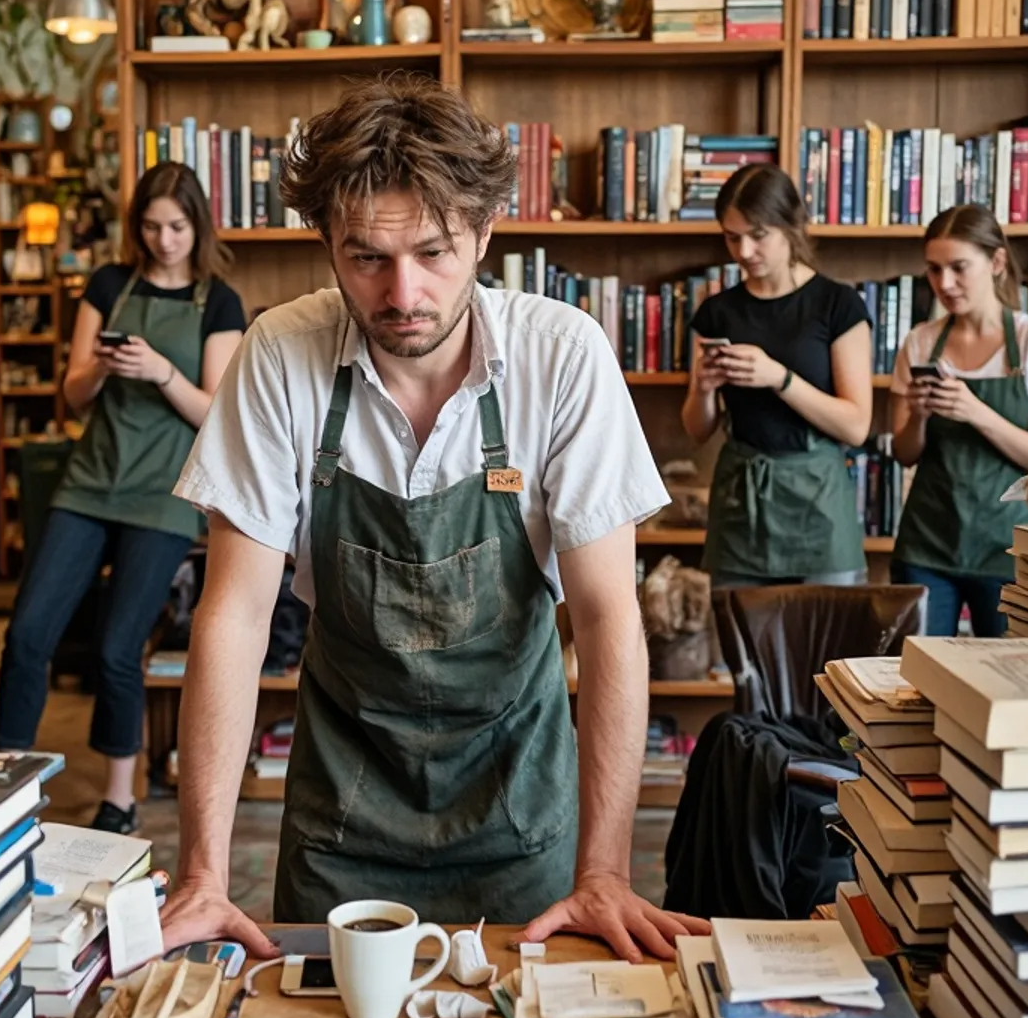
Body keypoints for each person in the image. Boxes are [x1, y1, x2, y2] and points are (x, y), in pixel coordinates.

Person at [159, 73, 709, 961]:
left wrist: (603, 871)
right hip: (343, 817)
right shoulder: (280, 355)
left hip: (518, 811)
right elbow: (234, 615)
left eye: (434, 252)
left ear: (485, 233)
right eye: (366, 258)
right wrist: (202, 876)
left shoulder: (561, 357)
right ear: (328, 246)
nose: (402, 292)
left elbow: (610, 621)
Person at [0, 162, 246, 833]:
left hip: (163, 495)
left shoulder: (219, 300)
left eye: (177, 227)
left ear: (198, 227)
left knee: (116, 647)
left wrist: (161, 371)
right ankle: (4, 783)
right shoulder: (109, 283)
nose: (164, 240)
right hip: (89, 480)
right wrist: (101, 371)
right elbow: (70, 394)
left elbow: (216, 413)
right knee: (27, 634)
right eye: (152, 227)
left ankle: (120, 798)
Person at [681, 163, 874, 588]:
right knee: (736, 650)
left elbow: (856, 426)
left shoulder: (837, 304)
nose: (744, 251)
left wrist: (779, 378)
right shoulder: (717, 312)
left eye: (758, 235)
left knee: (828, 647)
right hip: (740, 502)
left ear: (793, 226)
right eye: (732, 237)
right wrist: (704, 389)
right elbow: (697, 430)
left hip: (819, 502)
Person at [890, 204, 1028, 636]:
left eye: (958, 268)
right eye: (934, 271)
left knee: (1009, 682)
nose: (945, 284)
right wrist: (918, 417)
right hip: (927, 545)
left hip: (1011, 548)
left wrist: (974, 412)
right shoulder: (920, 343)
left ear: (996, 262)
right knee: (914, 680)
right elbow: (903, 453)